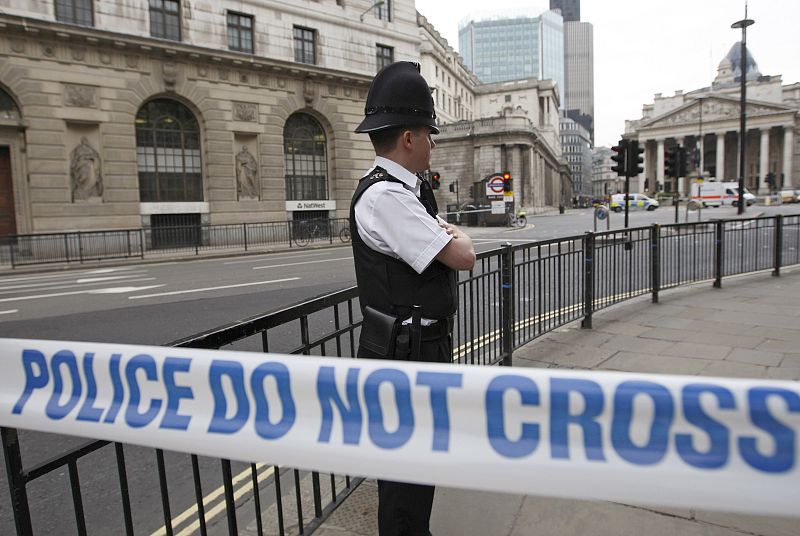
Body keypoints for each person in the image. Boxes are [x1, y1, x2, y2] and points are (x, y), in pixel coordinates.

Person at [349, 61, 476, 536]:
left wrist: (448, 237)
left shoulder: (404, 192)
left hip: (413, 349)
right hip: (407, 355)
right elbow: (463, 256)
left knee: (417, 474)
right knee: (407, 484)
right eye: (429, 132)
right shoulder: (389, 198)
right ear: (408, 138)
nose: (433, 142)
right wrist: (454, 237)